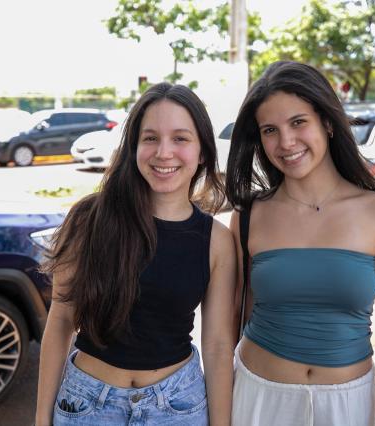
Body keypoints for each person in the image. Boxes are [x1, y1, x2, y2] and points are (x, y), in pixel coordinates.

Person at [225, 61, 375, 426]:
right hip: (258, 399)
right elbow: (234, 320)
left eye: (298, 122)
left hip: (347, 405)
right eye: (270, 130)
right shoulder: (249, 215)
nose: (286, 142)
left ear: (327, 122)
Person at [35, 83, 237, 426]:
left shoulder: (217, 240)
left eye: (180, 138)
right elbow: (61, 321)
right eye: (150, 138)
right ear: (134, 147)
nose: (164, 152)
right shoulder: (88, 219)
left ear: (202, 151)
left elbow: (217, 345)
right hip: (86, 406)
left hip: (177, 408)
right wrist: (41, 419)